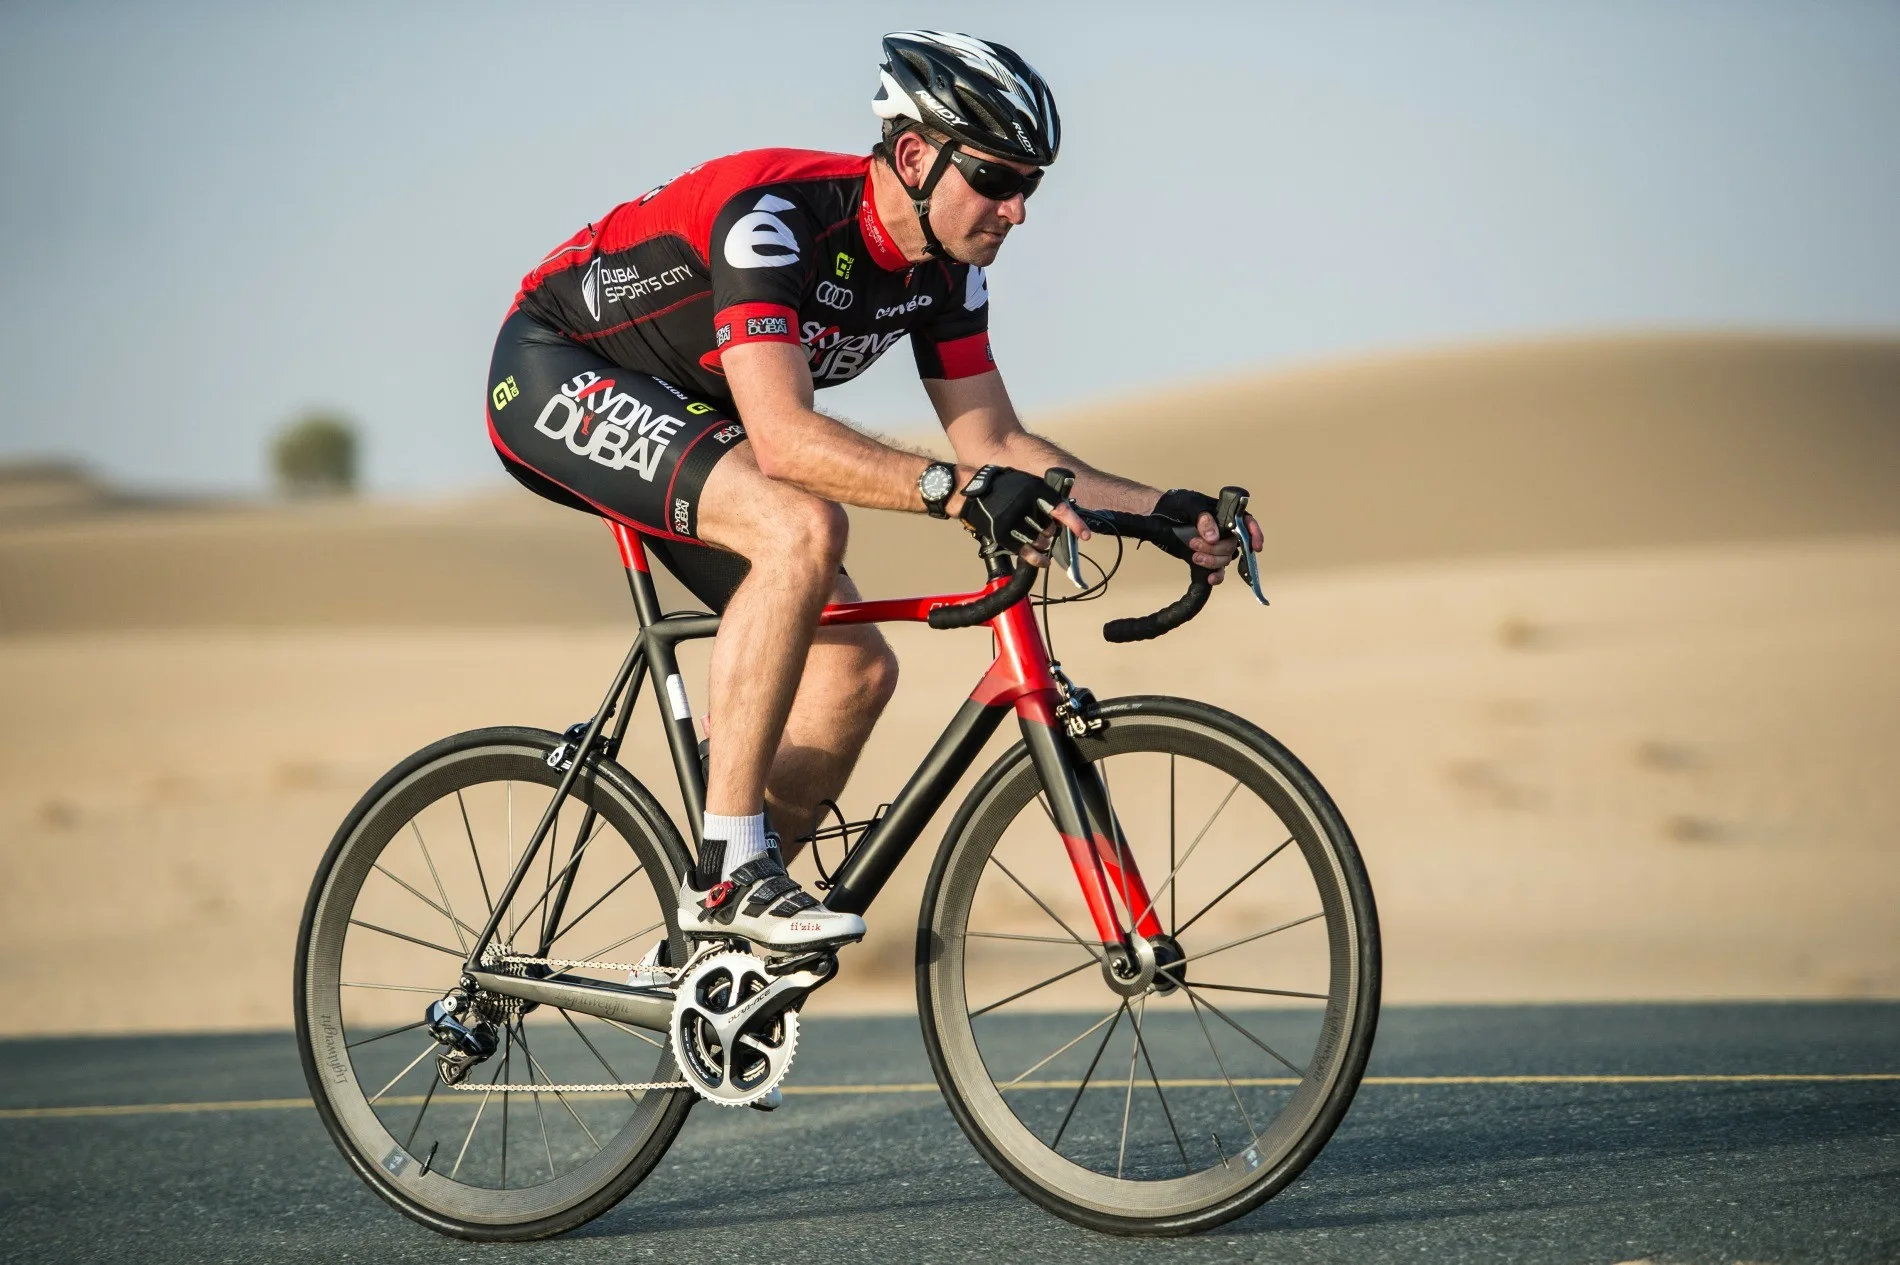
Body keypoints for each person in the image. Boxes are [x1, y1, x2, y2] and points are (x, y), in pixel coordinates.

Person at [487, 30, 1261, 955]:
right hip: (558, 368)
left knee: (853, 671)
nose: (1017, 211)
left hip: (696, 411)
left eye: (1033, 186)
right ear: (915, 156)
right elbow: (785, 439)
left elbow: (996, 442)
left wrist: (1156, 511)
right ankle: (728, 870)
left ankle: (714, 961)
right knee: (801, 526)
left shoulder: (950, 270)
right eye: (997, 179)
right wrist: (956, 491)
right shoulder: (774, 221)